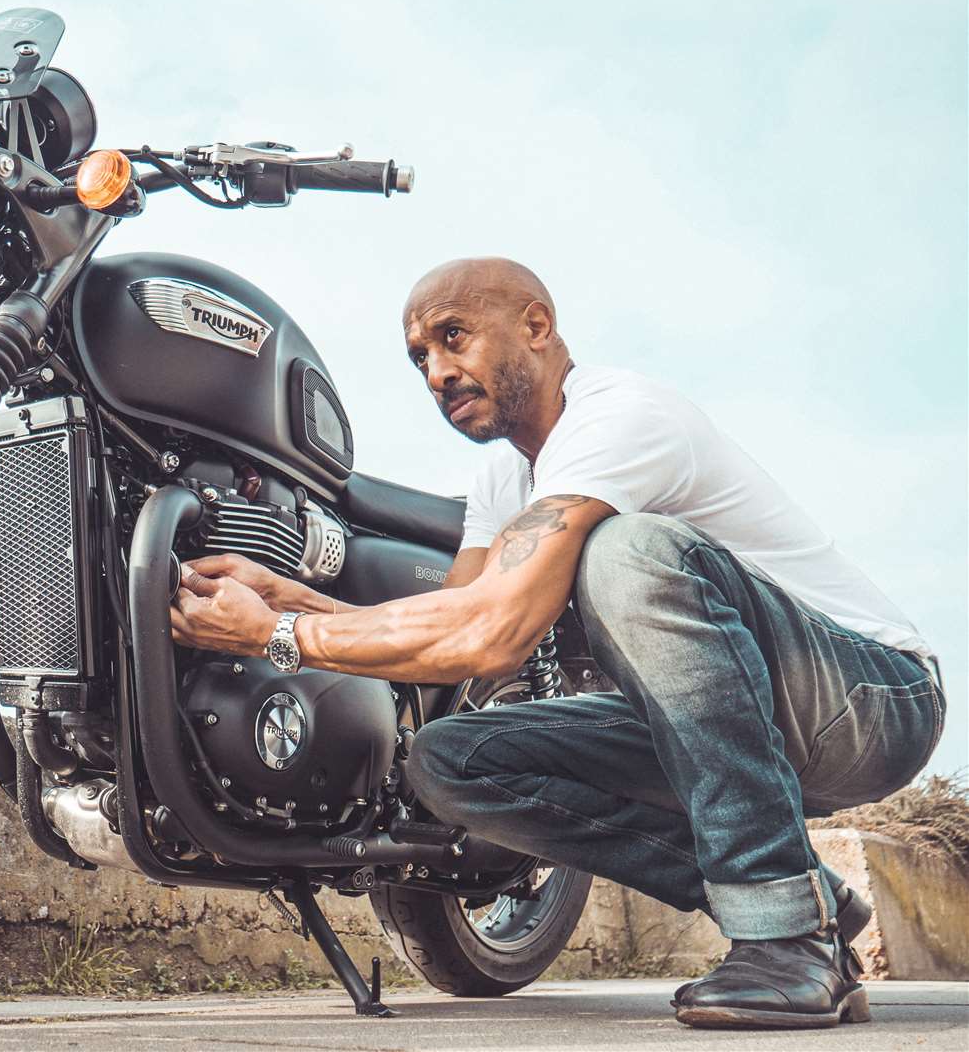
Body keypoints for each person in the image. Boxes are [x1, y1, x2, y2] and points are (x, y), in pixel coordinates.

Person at [167, 256, 943, 1030]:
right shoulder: (505, 481)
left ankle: (783, 939)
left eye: (454, 336)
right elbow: (456, 623)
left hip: (869, 702)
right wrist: (292, 598)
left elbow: (493, 633)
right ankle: (805, 901)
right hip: (716, 721)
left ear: (536, 326)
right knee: (448, 760)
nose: (438, 371)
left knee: (627, 553)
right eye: (420, 357)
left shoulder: (621, 417)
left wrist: (275, 635)